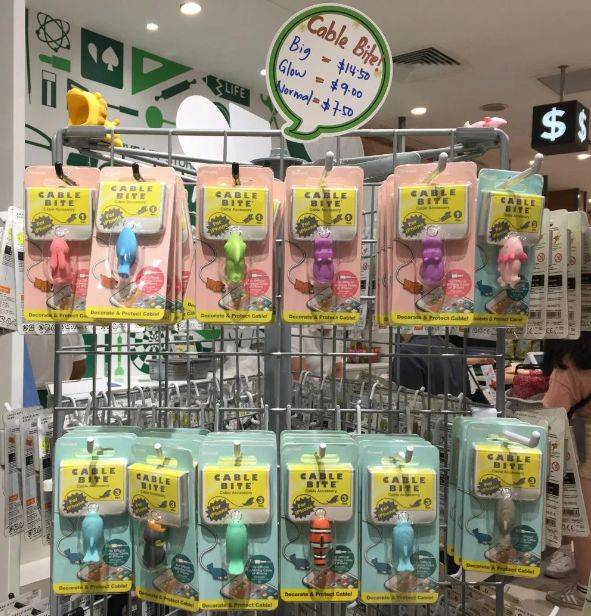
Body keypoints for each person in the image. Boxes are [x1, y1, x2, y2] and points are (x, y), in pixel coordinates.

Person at [543, 332, 591, 610]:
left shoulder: (571, 363)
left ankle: (584, 590)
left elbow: (551, 412)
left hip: (587, 439)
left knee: (586, 522)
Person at [26, 331, 86, 407]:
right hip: (62, 393)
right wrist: (67, 387)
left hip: (29, 394)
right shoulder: (72, 330)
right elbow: (80, 368)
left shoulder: (24, 330)